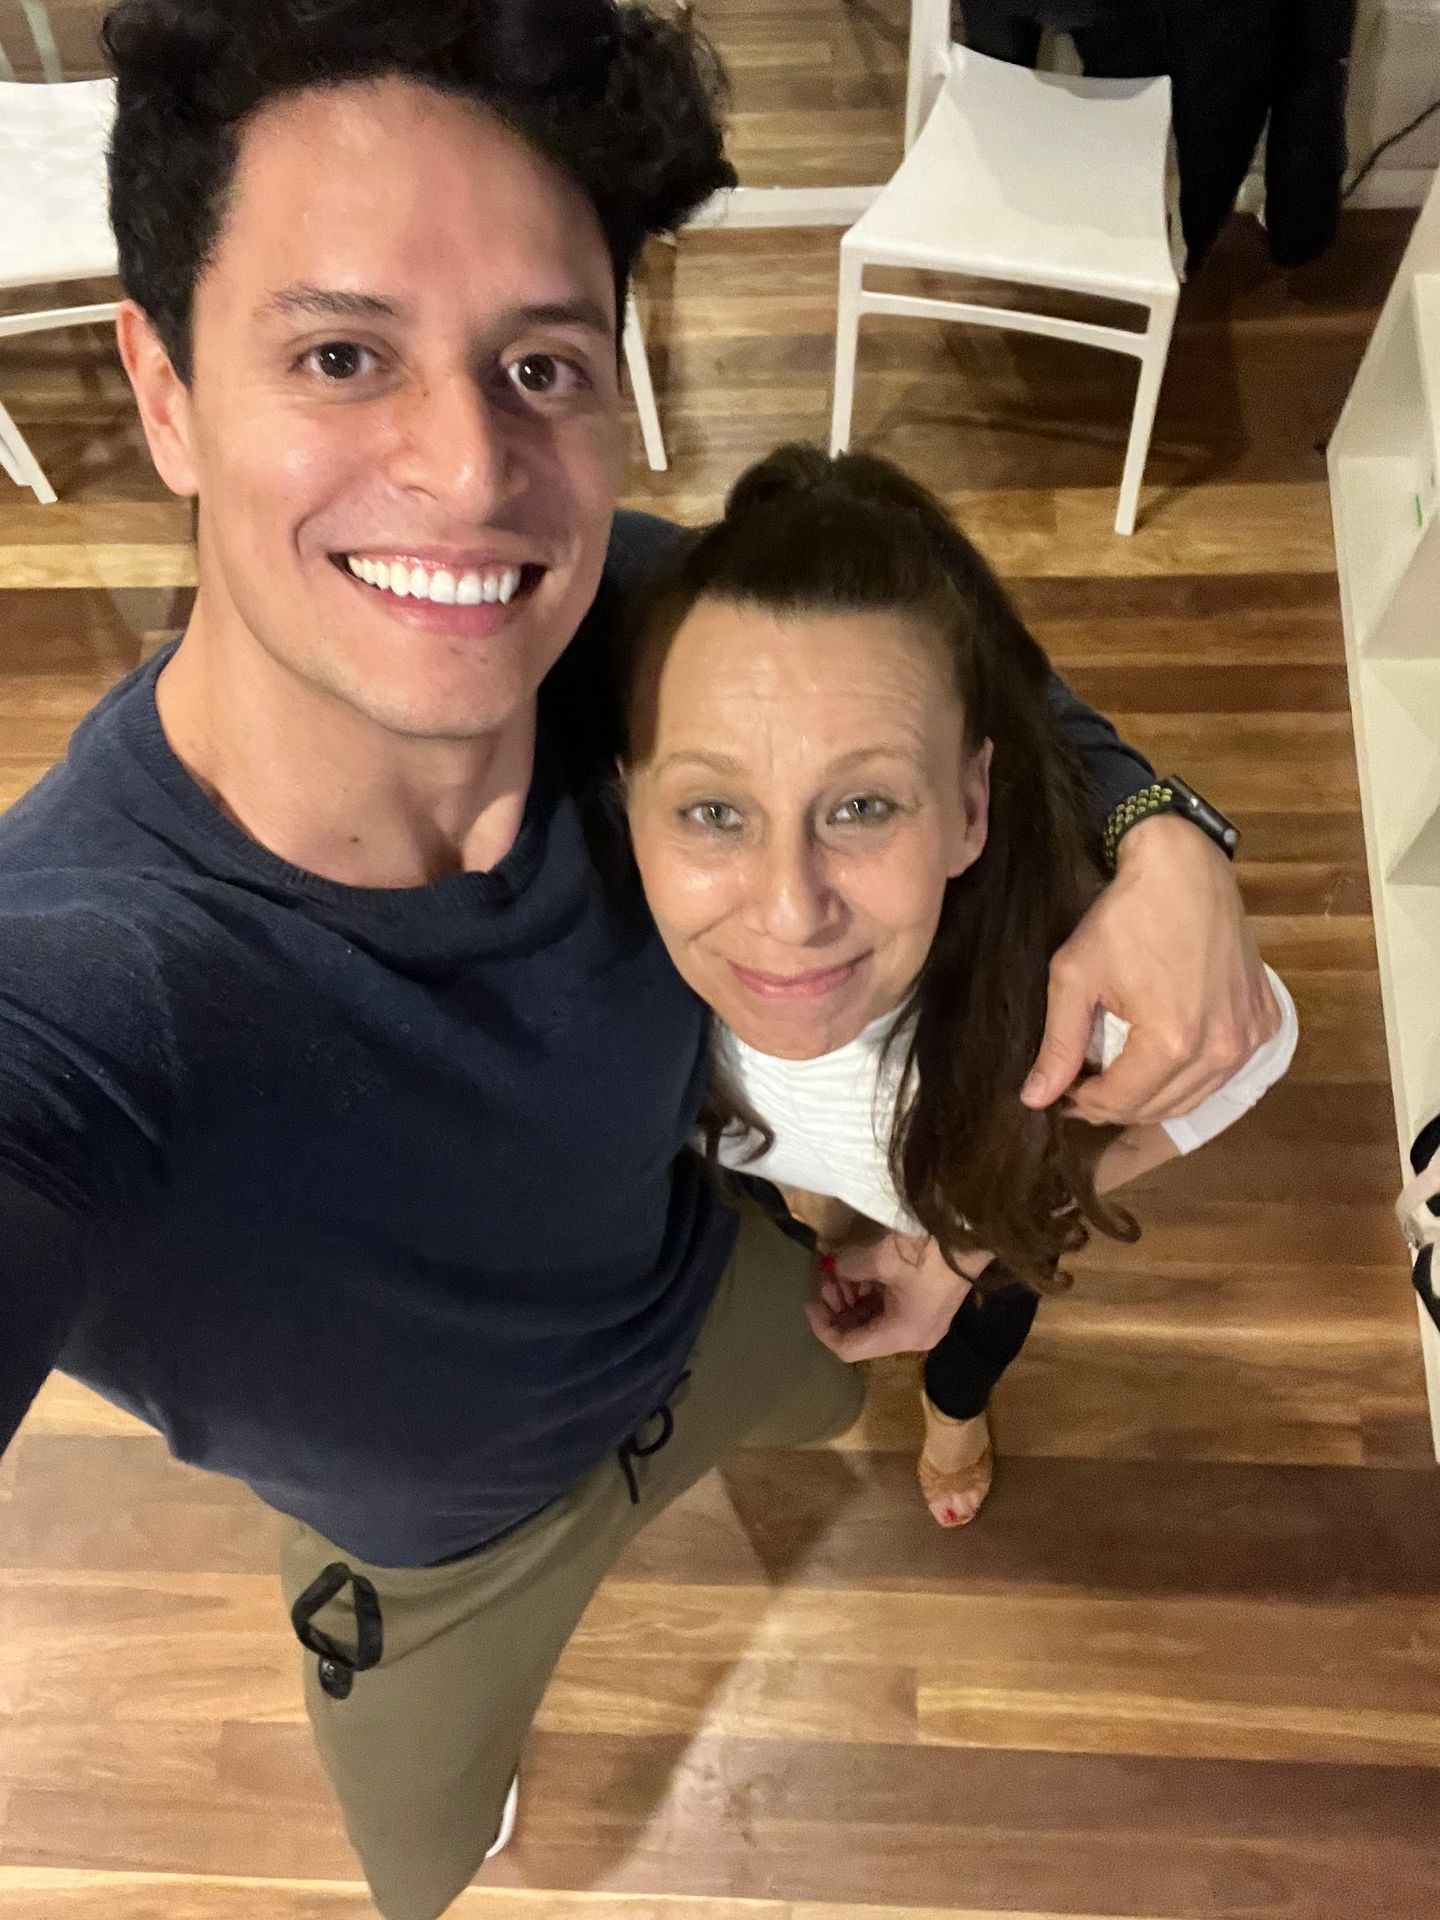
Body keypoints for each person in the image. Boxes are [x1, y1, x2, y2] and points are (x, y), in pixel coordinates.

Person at [0, 3, 1278, 1916]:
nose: (468, 474)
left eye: (540, 364)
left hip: (721, 1315)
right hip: (440, 1560)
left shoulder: (644, 631)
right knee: (425, 1861)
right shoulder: (86, 987)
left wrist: (1168, 823)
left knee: (845, 1388)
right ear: (163, 388)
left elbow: (937, 665)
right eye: (341, 353)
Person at [621, 444, 1297, 1527]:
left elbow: (1256, 1042)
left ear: (970, 808)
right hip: (772, 1181)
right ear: (629, 809)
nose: (790, 914)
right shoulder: (616, 970)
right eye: (713, 812)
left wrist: (955, 1244)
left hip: (966, 1194)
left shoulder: (1060, 987)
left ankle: (955, 1415)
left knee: (981, 1321)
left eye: (863, 807)